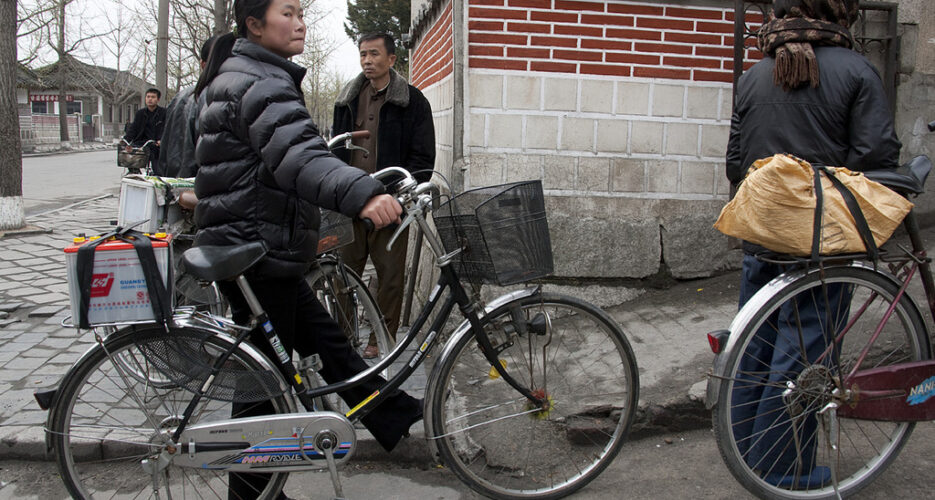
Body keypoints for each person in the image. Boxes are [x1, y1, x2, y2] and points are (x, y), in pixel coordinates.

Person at [192, 1, 423, 497]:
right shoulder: (260, 81)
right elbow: (297, 158)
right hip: (255, 250)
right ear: (255, 25)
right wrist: (363, 193)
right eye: (287, 13)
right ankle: (251, 494)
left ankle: (396, 415)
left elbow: (292, 152)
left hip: (260, 246)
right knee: (264, 390)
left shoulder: (251, 74)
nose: (299, 23)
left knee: (329, 344)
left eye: (301, 12)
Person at [725, 0, 900, 489]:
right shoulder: (857, 70)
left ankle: (745, 453)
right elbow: (876, 157)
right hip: (823, 241)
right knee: (804, 354)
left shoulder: (755, 75)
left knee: (751, 347)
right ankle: (781, 468)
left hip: (762, 233)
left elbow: (736, 161)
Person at [332, 32, 435, 357]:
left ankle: (380, 339)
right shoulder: (346, 100)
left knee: (390, 278)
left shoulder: (412, 102)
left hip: (391, 205)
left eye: (374, 54)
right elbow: (335, 151)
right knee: (342, 276)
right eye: (363, 54)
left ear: (391, 59)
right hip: (350, 203)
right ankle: (345, 340)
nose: (367, 61)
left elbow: (422, 158)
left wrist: (402, 196)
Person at [154, 36, 219, 178]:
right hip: (202, 186)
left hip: (175, 181)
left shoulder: (180, 96)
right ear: (203, 64)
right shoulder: (216, 98)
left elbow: (166, 147)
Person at [123, 87, 166, 170]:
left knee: (159, 169)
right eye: (148, 97)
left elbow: (167, 129)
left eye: (153, 97)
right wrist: (126, 140)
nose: (150, 99)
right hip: (141, 143)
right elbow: (133, 128)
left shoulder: (164, 113)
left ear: (158, 99)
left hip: (156, 145)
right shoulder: (140, 113)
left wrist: (162, 140)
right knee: (132, 163)